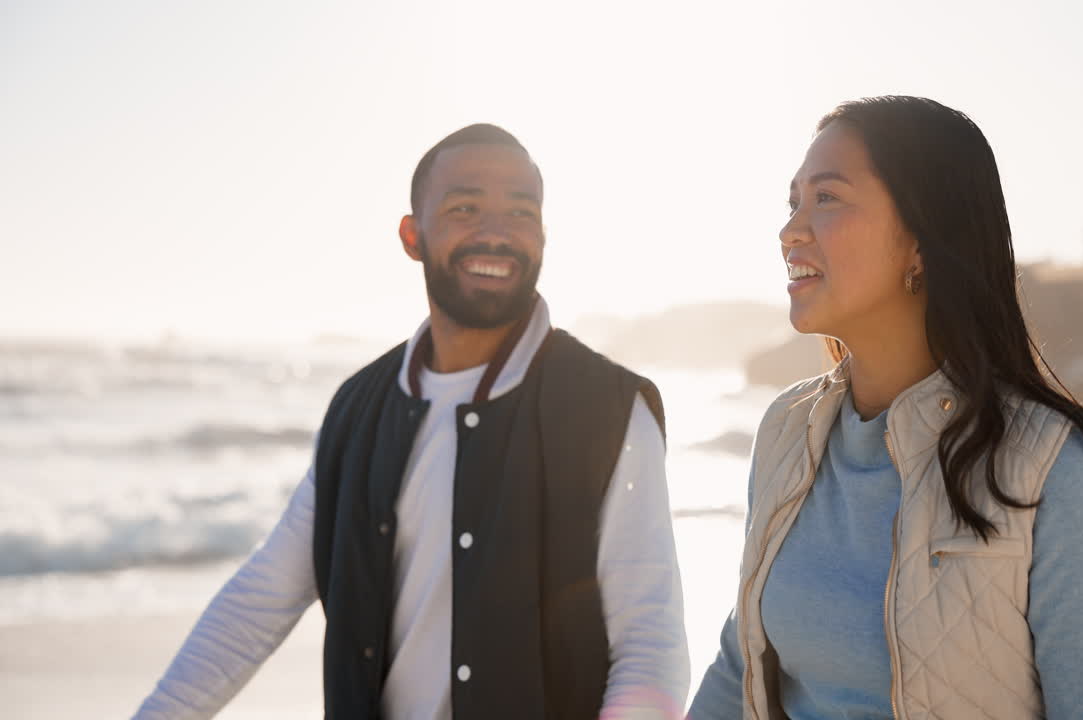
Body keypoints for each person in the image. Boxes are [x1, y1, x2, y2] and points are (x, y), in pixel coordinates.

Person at [135, 124, 689, 719]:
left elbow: (650, 644)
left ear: (544, 235)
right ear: (412, 235)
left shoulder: (607, 408)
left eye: (520, 212)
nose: (496, 233)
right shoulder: (358, 408)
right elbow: (258, 603)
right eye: (464, 207)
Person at [688, 97, 1083, 719]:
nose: (791, 230)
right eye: (793, 202)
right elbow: (739, 665)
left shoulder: (1052, 471)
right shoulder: (785, 432)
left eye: (826, 198)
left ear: (920, 239)